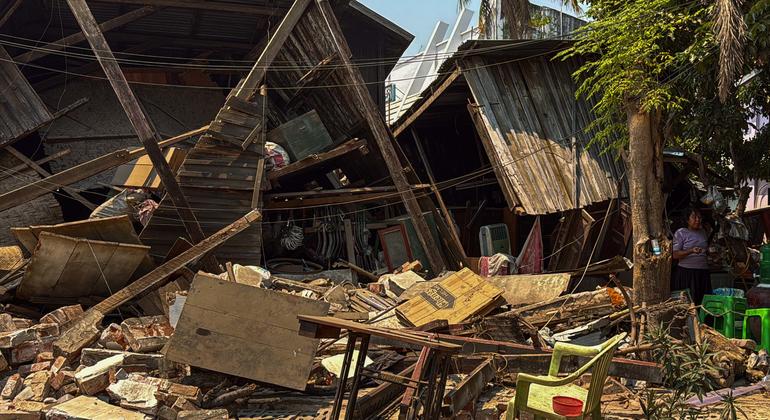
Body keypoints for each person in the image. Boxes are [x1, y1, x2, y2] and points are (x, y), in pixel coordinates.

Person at [672, 207, 712, 304]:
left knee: (702, 301)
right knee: (688, 303)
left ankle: (701, 319)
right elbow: (675, 255)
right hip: (687, 273)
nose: (698, 220)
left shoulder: (703, 232)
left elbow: (705, 251)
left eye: (699, 217)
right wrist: (691, 251)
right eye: (694, 217)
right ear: (687, 220)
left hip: (703, 273)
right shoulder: (681, 233)